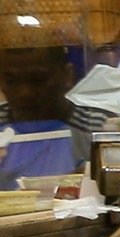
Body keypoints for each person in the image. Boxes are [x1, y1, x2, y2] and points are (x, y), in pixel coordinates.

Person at [0, 45, 90, 189]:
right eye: (11, 81)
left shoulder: (97, 128)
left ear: (67, 75)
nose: (25, 93)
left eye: (39, 79)